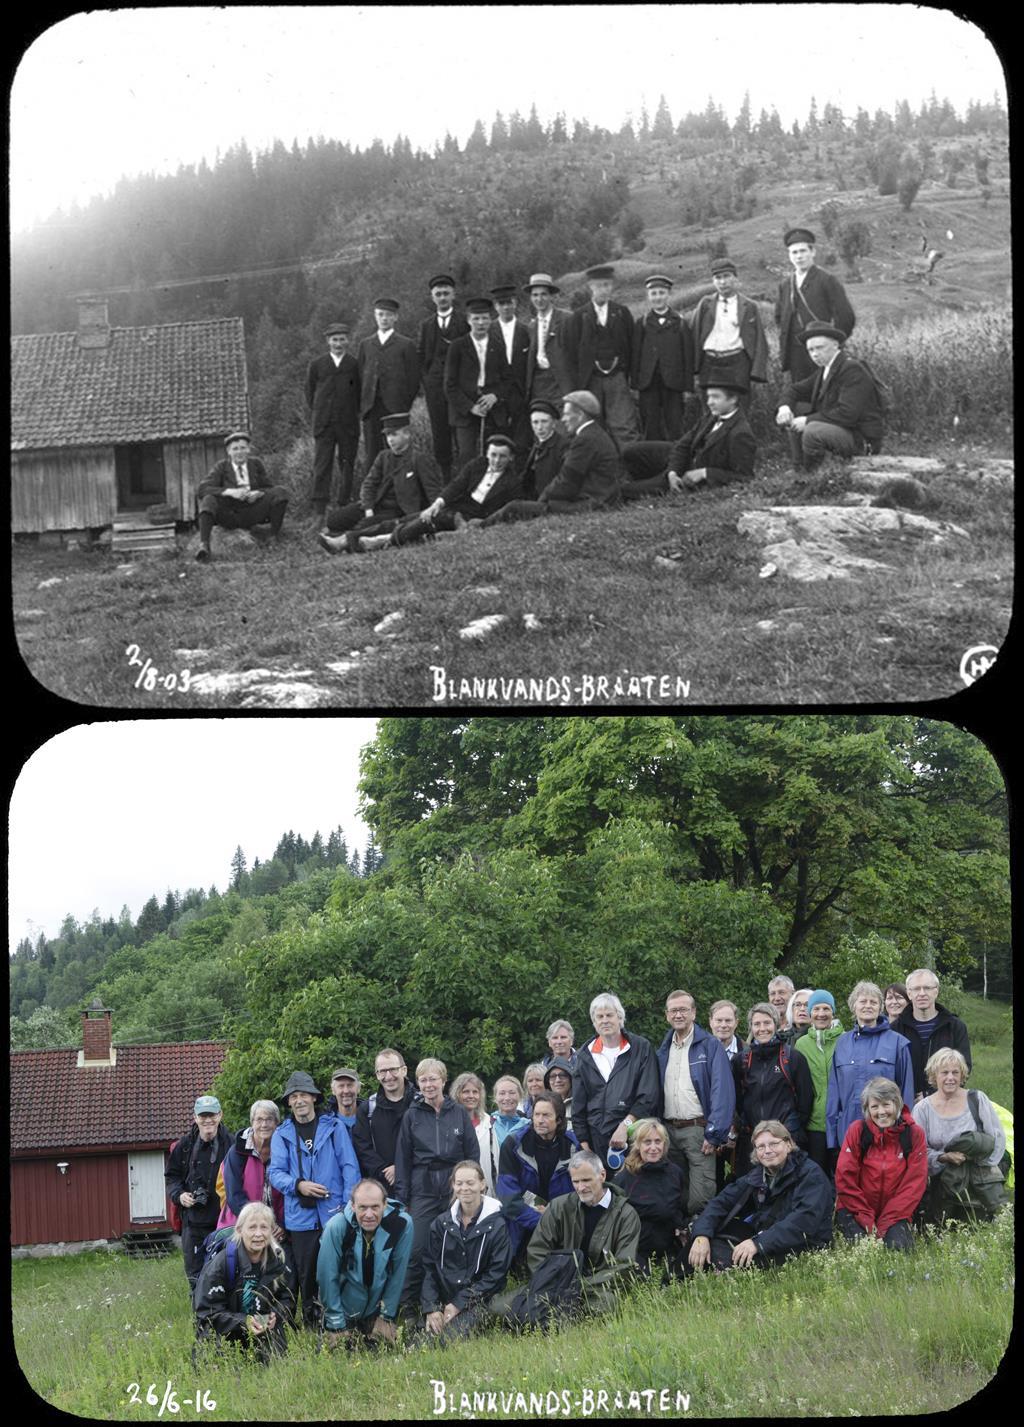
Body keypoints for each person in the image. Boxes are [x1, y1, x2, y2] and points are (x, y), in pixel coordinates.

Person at [492, 1150, 640, 1322]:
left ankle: (552, 1317)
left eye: (586, 1180)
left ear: (602, 1175)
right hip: (554, 1284)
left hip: (596, 1289)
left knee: (606, 1305)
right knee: (498, 1308)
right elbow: (537, 1250)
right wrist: (554, 1282)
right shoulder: (558, 1206)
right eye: (575, 1181)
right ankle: (552, 1315)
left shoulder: (626, 1214)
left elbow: (623, 1266)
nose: (580, 1187)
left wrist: (579, 1287)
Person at [268, 1071, 360, 1329]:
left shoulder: (334, 1127)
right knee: (307, 1272)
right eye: (294, 1096)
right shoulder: (282, 1134)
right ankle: (311, 1321)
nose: (299, 1101)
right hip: (300, 1216)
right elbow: (275, 1173)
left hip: (335, 1213)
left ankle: (340, 1318)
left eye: (304, 1095)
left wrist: (346, 1207)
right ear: (289, 1102)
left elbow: (349, 1166)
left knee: (337, 1268)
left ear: (314, 1098)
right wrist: (299, 1186)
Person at [688, 1120, 832, 1272]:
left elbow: (803, 1222)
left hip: (802, 1243)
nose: (767, 1151)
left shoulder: (811, 1174)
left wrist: (758, 1243)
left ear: (789, 1144)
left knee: (730, 1257)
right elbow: (720, 1202)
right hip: (764, 1235)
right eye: (761, 1146)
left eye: (774, 1144)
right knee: (706, 1242)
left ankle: (712, 1269)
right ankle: (677, 1277)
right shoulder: (757, 1175)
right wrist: (701, 1235)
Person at [394, 1058, 480, 1307]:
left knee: (454, 1248)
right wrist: (403, 1199)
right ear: (418, 1083)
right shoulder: (412, 1116)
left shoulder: (459, 1114)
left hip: (455, 1190)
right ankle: (409, 1308)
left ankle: (455, 1303)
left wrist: (469, 1191)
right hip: (423, 1190)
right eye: (423, 1080)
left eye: (433, 1079)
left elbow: (472, 1155)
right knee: (416, 1250)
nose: (428, 1084)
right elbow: (403, 1160)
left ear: (443, 1080)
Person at [483, 390, 622, 526]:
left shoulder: (585, 439)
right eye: (535, 422)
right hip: (598, 498)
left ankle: (479, 527)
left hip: (592, 504)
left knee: (514, 507)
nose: (563, 419)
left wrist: (542, 502)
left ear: (580, 415)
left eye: (567, 414)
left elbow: (567, 480)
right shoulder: (594, 433)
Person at [360, 436, 522, 549]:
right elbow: (456, 486)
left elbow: (502, 513)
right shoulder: (477, 465)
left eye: (502, 457)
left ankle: (383, 540)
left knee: (426, 521)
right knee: (410, 518)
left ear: (511, 458)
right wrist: (437, 503)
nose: (496, 461)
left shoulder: (512, 482)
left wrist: (479, 522)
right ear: (487, 453)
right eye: (493, 455)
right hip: (456, 507)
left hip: (472, 518)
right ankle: (350, 539)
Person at [655, 989, 736, 1215]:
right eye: (673, 1010)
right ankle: (679, 1239)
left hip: (698, 1130)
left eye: (683, 1009)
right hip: (669, 1131)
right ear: (667, 1015)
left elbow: (723, 1091)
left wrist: (715, 1132)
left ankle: (700, 1239)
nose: (678, 1014)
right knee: (676, 1189)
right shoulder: (663, 1049)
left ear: (693, 1012)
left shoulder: (710, 1045)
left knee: (701, 1194)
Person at [318, 413, 441, 551]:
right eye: (387, 435)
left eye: (394, 435)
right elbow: (369, 483)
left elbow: (433, 492)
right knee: (335, 519)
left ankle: (343, 542)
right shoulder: (384, 457)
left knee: (365, 525)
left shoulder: (419, 459)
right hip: (376, 504)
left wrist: (433, 517)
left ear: (407, 434)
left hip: (398, 511)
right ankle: (347, 537)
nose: (390, 440)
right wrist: (368, 507)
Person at [418, 1160, 512, 1343]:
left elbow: (496, 1274)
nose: (464, 1188)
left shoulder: (498, 1225)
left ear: (482, 1184)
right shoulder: (440, 1223)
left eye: (470, 1183)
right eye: (459, 1183)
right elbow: (430, 1268)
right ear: (453, 1185)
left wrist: (459, 1303)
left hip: (481, 1300)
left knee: (447, 1341)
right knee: (422, 1340)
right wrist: (432, 1307)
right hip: (445, 1300)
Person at [912, 1049, 1007, 1224]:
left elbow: (997, 1138)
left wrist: (983, 1165)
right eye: (945, 1072)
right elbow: (917, 1151)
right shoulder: (922, 1109)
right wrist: (943, 1157)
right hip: (944, 1182)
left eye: (955, 1072)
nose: (950, 1078)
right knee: (943, 1229)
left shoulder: (977, 1099)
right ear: (934, 1075)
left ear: (962, 1074)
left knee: (992, 1224)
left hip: (980, 1179)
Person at [193, 1202, 295, 1362]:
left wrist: (277, 1315)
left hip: (263, 1332)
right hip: (225, 1334)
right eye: (252, 1227)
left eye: (264, 1227)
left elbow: (286, 1299)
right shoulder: (222, 1264)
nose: (259, 1234)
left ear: (271, 1231)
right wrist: (243, 1322)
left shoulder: (276, 1261)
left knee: (276, 1369)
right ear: (240, 1230)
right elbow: (205, 1313)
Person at [318, 1177, 413, 1349]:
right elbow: (327, 1278)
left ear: (385, 1205)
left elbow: (398, 1274)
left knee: (385, 1357)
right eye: (362, 1208)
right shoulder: (336, 1227)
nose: (369, 1215)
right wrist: (336, 1323)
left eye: (375, 1207)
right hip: (343, 1311)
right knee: (336, 1358)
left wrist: (386, 1316)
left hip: (375, 1310)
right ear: (353, 1206)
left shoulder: (402, 1224)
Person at [620, 380, 756, 499]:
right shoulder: (712, 415)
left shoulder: (740, 434)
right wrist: (672, 472)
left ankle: (654, 486)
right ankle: (655, 479)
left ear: (733, 399)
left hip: (691, 478)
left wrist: (705, 473)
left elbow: (744, 477)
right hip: (682, 461)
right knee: (630, 451)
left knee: (625, 491)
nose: (709, 402)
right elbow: (684, 444)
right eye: (708, 397)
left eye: (715, 397)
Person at [835, 1077, 927, 1251]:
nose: (881, 1112)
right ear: (867, 1109)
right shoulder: (857, 1130)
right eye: (874, 1106)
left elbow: (914, 1184)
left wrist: (886, 1222)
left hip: (896, 1211)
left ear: (897, 1104)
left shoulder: (914, 1134)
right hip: (856, 1209)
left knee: (898, 1251)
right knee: (862, 1251)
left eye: (886, 1104)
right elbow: (845, 1179)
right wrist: (867, 1219)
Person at [776, 321, 884, 467]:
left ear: (835, 344)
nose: (814, 354)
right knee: (796, 410)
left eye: (819, 348)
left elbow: (847, 413)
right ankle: (799, 468)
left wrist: (807, 421)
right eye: (810, 350)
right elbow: (794, 390)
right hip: (843, 431)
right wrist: (784, 408)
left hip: (861, 439)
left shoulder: (851, 369)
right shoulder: (825, 369)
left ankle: (812, 474)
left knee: (812, 431)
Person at [573, 992, 661, 1167]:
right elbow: (578, 1105)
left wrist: (624, 1127)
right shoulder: (584, 1055)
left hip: (635, 1137)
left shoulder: (640, 1048)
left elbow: (649, 1096)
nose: (605, 1020)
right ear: (594, 1022)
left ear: (620, 1018)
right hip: (595, 1137)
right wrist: (583, 1143)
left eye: (609, 1015)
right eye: (600, 1016)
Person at [826, 982, 914, 1153]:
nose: (868, 1006)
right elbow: (834, 1094)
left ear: (881, 1007)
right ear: (853, 1006)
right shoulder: (842, 1044)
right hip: (848, 1132)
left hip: (887, 1133)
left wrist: (905, 1131)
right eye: (863, 1001)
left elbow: (907, 1093)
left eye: (873, 1002)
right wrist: (832, 1139)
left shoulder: (898, 1043)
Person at [496, 1091, 579, 1257]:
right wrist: (541, 1220)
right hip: (523, 1222)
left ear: (559, 1119)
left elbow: (579, 1193)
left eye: (547, 1115)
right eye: (537, 1115)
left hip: (562, 1222)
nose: (540, 1120)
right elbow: (508, 1197)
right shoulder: (513, 1145)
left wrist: (554, 1216)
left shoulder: (574, 1147)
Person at [735, 1003, 814, 1176]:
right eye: (757, 1024)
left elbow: (805, 1100)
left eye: (767, 1023)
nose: (762, 1028)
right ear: (750, 1027)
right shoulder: (741, 1060)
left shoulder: (792, 1057)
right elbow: (737, 1100)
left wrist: (790, 1130)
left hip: (786, 1138)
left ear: (776, 1024)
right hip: (753, 1140)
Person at [166, 1095, 233, 1288]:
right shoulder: (184, 1146)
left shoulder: (232, 1144)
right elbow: (172, 1177)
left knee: (225, 1275)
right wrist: (179, 1195)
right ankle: (201, 1317)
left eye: (212, 1115)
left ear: (220, 1115)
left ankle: (222, 1316)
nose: (208, 1120)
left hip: (224, 1222)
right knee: (196, 1277)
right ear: (195, 1117)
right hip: (193, 1223)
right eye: (203, 1116)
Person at [774, 226, 855, 385]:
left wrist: (833, 342)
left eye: (803, 251)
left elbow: (845, 316)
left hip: (822, 349)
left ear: (813, 252)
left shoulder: (826, 280)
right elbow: (779, 318)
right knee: (800, 393)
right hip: (796, 353)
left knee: (825, 390)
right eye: (794, 252)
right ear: (789, 256)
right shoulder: (785, 285)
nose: (799, 257)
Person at [569, 264, 639, 446]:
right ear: (590, 287)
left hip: (617, 379)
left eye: (607, 285)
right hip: (591, 380)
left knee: (624, 425)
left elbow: (631, 346)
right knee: (592, 426)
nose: (604, 290)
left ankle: (632, 467)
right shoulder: (579, 316)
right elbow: (573, 352)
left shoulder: (622, 313)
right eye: (599, 285)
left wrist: (627, 375)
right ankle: (599, 468)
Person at [195, 433, 289, 562]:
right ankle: (204, 546)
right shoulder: (221, 467)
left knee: (281, 492)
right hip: (230, 514)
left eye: (243, 448)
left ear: (249, 449)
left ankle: (273, 537)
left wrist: (258, 493)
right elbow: (202, 489)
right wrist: (229, 492)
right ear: (228, 451)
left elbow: (269, 487)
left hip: (253, 511)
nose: (239, 452)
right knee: (208, 499)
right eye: (235, 449)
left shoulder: (256, 464)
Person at [612, 1118, 687, 1275]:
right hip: (637, 1246)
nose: (653, 1148)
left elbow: (679, 1207)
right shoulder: (625, 1178)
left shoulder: (675, 1173)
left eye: (657, 1142)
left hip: (667, 1243)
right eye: (647, 1142)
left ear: (664, 1144)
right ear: (638, 1145)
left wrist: (680, 1226)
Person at [444, 297, 511, 471]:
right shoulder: (457, 347)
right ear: (468, 320)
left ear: (491, 319)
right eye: (476, 319)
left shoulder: (498, 345)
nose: (481, 323)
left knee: (494, 456)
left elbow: (507, 379)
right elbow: (450, 385)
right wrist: (470, 407)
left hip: (493, 411)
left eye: (485, 318)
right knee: (467, 457)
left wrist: (495, 396)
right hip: (465, 413)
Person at [356, 298, 421, 469]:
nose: (384, 318)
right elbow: (360, 376)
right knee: (372, 452)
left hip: (395, 408)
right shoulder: (366, 344)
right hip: (371, 407)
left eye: (388, 315)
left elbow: (414, 379)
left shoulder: (405, 344)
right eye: (380, 314)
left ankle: (398, 493)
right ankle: (372, 494)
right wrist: (363, 405)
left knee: (397, 451)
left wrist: (404, 404)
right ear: (375, 316)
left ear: (395, 318)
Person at [891, 969, 972, 1103]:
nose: (922, 993)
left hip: (946, 1102)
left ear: (936, 991)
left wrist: (932, 1094)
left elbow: (964, 1067)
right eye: (916, 989)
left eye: (927, 988)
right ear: (909, 994)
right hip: (905, 1105)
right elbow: (890, 1069)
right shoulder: (895, 1029)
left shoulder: (954, 1026)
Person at [306, 322, 360, 520]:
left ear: (348, 340)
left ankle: (343, 505)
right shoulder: (317, 365)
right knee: (322, 465)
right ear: (328, 341)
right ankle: (319, 511)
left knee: (347, 464)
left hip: (348, 424)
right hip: (324, 424)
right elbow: (310, 393)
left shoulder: (354, 364)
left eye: (342, 339)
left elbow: (359, 393)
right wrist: (322, 413)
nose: (338, 344)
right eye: (334, 340)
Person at [690, 257, 769, 394]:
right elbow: (693, 334)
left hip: (737, 364)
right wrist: (693, 367)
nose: (722, 282)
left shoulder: (749, 306)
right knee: (711, 409)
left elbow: (759, 341)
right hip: (709, 364)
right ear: (713, 281)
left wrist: (756, 372)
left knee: (739, 408)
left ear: (735, 278)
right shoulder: (705, 304)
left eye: (726, 276)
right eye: (718, 277)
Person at [417, 274, 469, 481]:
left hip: (460, 387)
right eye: (438, 294)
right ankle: (446, 478)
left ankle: (465, 478)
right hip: (435, 389)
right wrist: (427, 380)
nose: (442, 297)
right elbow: (421, 356)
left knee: (462, 433)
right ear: (432, 297)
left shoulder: (464, 321)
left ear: (453, 295)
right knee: (440, 432)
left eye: (446, 293)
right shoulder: (427, 325)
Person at [630, 275, 692, 441]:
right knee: (650, 425)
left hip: (673, 383)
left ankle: (677, 463)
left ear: (668, 295)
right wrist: (635, 384)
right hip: (648, 383)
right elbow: (635, 355)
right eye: (654, 293)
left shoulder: (680, 322)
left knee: (675, 425)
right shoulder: (641, 323)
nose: (658, 297)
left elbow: (687, 356)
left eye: (661, 293)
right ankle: (652, 462)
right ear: (648, 296)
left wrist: (687, 387)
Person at [791, 990, 843, 1176]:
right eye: (817, 1009)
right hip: (814, 1123)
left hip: (841, 1121)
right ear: (811, 1013)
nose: (821, 1013)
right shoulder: (801, 1044)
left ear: (833, 1012)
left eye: (826, 1008)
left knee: (841, 1174)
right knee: (816, 1175)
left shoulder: (845, 1040)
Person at [216, 1100, 286, 1233]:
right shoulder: (237, 1152)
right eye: (259, 1119)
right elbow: (234, 1195)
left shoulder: (284, 1150)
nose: (264, 1124)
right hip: (241, 1224)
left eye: (269, 1119)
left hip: (277, 1228)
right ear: (252, 1123)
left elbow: (287, 1195)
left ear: (277, 1123)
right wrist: (259, 1223)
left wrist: (282, 1226)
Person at [351, 1048, 416, 1191]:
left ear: (404, 1070)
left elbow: (429, 1144)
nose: (388, 1076)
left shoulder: (420, 1104)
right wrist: (385, 1171)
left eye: (393, 1069)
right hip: (383, 1187)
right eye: (382, 1071)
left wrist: (400, 1167)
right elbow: (363, 1148)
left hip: (418, 1187)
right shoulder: (368, 1109)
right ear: (376, 1075)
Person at [524, 273, 576, 412]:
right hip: (539, 383)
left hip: (560, 382)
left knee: (562, 424)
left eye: (543, 294)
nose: (539, 299)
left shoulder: (567, 319)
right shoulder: (531, 326)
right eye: (535, 295)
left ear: (551, 296)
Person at [708, 1000, 744, 1191]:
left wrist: (732, 1130)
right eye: (719, 1020)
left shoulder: (747, 1052)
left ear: (736, 1022)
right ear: (711, 1022)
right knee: (711, 1179)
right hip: (707, 1129)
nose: (723, 1025)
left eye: (728, 1020)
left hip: (738, 1129)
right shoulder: (701, 1051)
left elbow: (746, 1096)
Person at [491, 284, 533, 450]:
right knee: (499, 436)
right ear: (496, 306)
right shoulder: (488, 330)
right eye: (502, 304)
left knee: (521, 438)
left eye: (509, 303)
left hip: (520, 391)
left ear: (515, 303)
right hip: (497, 391)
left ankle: (521, 472)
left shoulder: (526, 330)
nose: (506, 307)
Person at [451, 1072, 499, 1193]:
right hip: (458, 1188)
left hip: (486, 1188)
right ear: (457, 1094)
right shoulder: (449, 1122)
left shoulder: (489, 1123)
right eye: (466, 1092)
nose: (471, 1096)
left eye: (475, 1092)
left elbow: (496, 1162)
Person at [517, 401, 571, 501]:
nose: (539, 427)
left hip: (549, 500)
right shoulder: (537, 444)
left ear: (554, 424)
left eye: (544, 422)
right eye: (535, 422)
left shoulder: (563, 446)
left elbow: (564, 480)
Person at [490, 1077, 530, 1151]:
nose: (507, 1098)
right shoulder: (487, 1126)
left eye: (512, 1093)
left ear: (520, 1096)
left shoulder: (528, 1125)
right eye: (502, 1093)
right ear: (495, 1097)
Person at [543, 1058, 575, 1133]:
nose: (558, 1080)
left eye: (562, 1075)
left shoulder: (581, 1103)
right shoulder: (542, 1104)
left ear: (570, 1079)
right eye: (553, 1076)